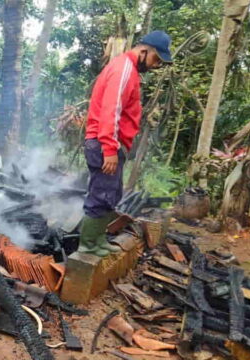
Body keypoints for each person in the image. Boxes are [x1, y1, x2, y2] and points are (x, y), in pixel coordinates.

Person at [79, 31, 173, 257]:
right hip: (104, 145)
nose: (155, 65)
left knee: (109, 194)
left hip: (109, 144)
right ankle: (88, 246)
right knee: (101, 195)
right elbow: (111, 111)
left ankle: (98, 241)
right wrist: (110, 149)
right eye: (155, 59)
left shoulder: (127, 70)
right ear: (144, 51)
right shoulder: (123, 69)